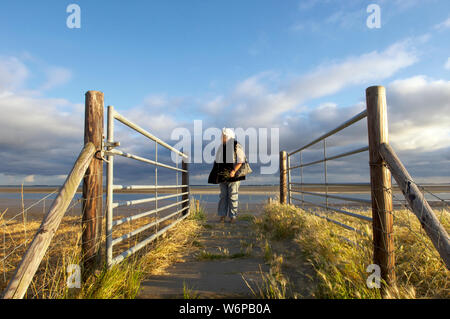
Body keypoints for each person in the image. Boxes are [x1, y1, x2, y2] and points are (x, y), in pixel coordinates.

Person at [207, 128, 246, 223]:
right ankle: (222, 216)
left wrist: (233, 171)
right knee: (223, 196)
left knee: (233, 196)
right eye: (222, 136)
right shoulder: (221, 147)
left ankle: (233, 217)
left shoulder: (236, 145)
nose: (223, 137)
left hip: (234, 176)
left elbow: (241, 160)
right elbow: (217, 162)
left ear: (229, 136)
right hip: (222, 176)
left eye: (224, 136)